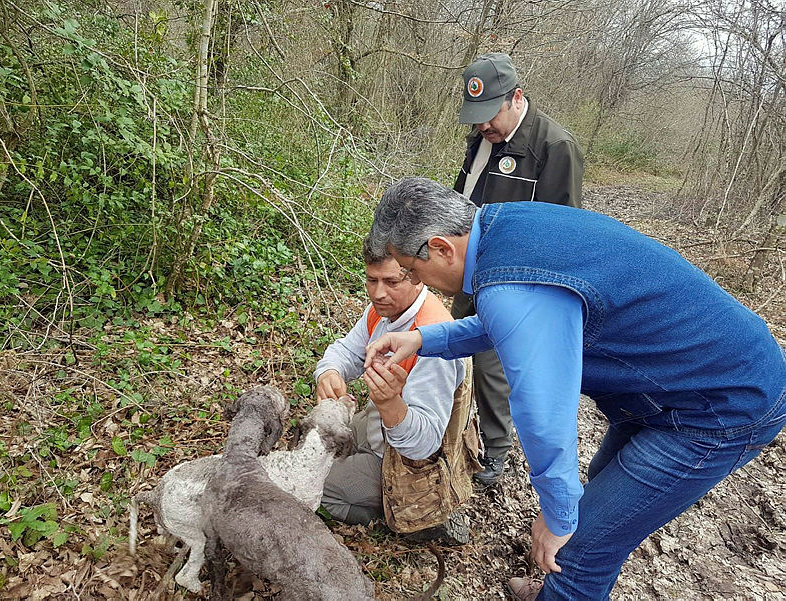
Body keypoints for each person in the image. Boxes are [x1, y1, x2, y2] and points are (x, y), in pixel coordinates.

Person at [364, 177, 786, 600]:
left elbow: (544, 417)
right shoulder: (504, 226)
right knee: (599, 504)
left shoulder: (509, 286)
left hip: (721, 404)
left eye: (412, 270)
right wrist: (423, 338)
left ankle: (570, 586)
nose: (418, 280)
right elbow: (517, 319)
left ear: (441, 248)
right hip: (677, 381)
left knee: (580, 547)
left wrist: (559, 517)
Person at [454, 52, 584, 485]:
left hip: (514, 280)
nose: (483, 126)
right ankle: (452, 431)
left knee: (492, 362)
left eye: (490, 114)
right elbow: (461, 196)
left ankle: (496, 451)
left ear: (516, 98)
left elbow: (563, 230)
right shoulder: (481, 139)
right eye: (476, 118)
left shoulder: (555, 147)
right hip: (470, 265)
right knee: (455, 348)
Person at [316, 236, 479, 545]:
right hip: (376, 427)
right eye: (371, 280)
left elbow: (424, 445)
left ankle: (405, 518)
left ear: (416, 276)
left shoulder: (434, 342)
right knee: (328, 445)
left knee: (318, 488)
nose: (378, 293)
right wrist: (330, 371)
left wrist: (390, 403)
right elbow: (348, 351)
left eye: (391, 281)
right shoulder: (383, 310)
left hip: (408, 464)